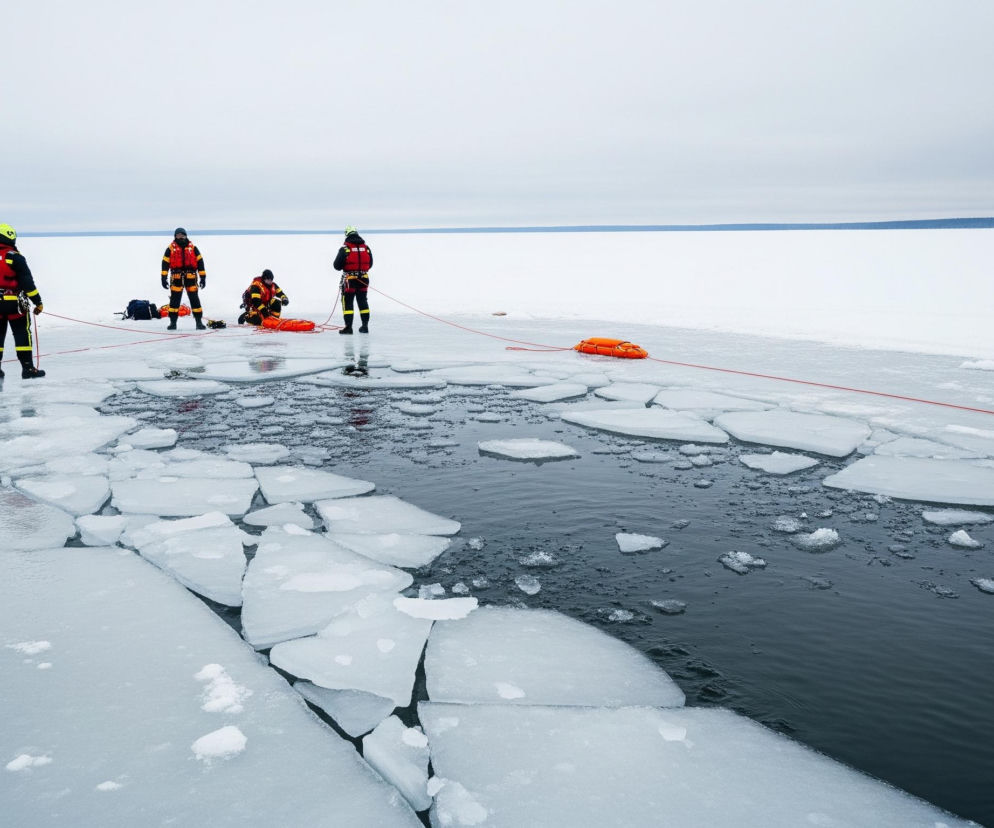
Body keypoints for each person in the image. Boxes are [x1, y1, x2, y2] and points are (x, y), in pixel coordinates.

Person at [0, 224, 46, 379]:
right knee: (22, 334)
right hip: (15, 305)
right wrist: (37, 302)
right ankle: (27, 369)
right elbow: (27, 283)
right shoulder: (14, 256)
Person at [161, 227, 206, 330]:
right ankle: (173, 323)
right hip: (176, 278)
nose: (180, 237)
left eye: (182, 235)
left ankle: (199, 322)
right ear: (175, 236)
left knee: (195, 300)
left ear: (186, 236)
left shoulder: (193, 248)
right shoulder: (170, 249)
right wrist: (163, 278)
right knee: (174, 302)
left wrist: (203, 278)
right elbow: (165, 264)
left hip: (191, 277)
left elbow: (200, 263)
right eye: (178, 235)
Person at [333, 225, 372, 334]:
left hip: (350, 281)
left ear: (347, 235)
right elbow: (370, 264)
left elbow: (336, 266)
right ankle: (365, 326)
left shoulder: (345, 249)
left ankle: (348, 328)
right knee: (363, 302)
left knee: (348, 303)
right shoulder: (366, 248)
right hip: (364, 279)